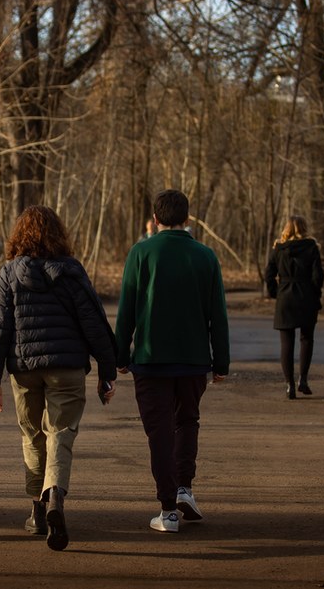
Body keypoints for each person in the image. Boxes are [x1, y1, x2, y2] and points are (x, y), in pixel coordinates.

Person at [0, 205, 117, 552]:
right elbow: (93, 322)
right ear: (59, 234)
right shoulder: (71, 272)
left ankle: (37, 511)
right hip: (67, 367)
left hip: (24, 369)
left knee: (31, 435)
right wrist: (107, 370)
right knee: (61, 434)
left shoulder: (9, 273)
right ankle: (55, 494)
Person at [115, 189, 229, 534]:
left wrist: (120, 356)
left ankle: (167, 510)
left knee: (159, 433)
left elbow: (127, 309)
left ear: (154, 220)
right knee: (187, 421)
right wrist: (220, 362)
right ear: (188, 219)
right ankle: (184, 488)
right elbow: (217, 315)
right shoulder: (206, 256)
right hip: (194, 360)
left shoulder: (141, 252)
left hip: (151, 359)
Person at [265, 215, 324, 399]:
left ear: (286, 229)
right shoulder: (311, 247)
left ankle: (289, 384)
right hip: (306, 296)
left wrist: (275, 292)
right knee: (307, 339)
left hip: (285, 296)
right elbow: (318, 276)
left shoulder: (278, 249)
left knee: (286, 343)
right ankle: (303, 379)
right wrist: (315, 294)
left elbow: (269, 274)